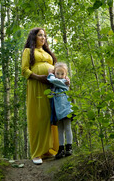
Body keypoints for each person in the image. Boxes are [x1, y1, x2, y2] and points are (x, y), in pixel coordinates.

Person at [21, 27, 58, 165]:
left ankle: (47, 149)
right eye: (40, 35)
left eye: (44, 36)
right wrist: (38, 77)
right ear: (34, 37)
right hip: (36, 86)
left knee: (49, 116)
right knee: (38, 116)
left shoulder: (47, 53)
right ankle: (36, 152)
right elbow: (24, 70)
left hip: (50, 87)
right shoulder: (28, 51)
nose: (43, 38)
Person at [47, 62, 74, 159]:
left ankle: (69, 147)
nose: (59, 76)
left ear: (66, 75)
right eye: (57, 73)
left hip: (65, 109)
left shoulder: (63, 83)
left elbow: (51, 79)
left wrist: (50, 73)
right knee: (60, 130)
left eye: (62, 74)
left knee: (67, 127)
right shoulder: (55, 84)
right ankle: (61, 149)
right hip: (58, 111)